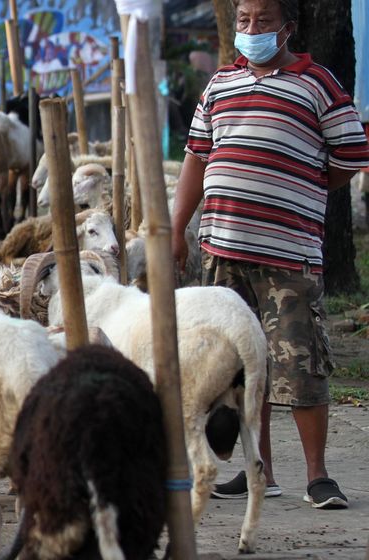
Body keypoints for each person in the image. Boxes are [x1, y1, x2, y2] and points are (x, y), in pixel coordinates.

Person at [172, 0, 369, 510]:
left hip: (288, 255)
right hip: (221, 250)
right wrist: (176, 229)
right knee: (239, 366)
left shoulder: (317, 84)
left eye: (263, 21)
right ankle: (259, 469)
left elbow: (350, 155)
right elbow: (196, 159)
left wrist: (300, 182)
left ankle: (318, 476)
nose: (251, 29)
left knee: (300, 364)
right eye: (244, 20)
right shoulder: (219, 84)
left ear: (287, 29)